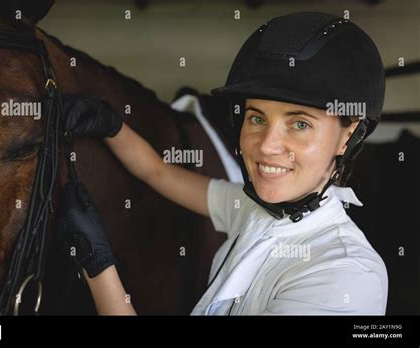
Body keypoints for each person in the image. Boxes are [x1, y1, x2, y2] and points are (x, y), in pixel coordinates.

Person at [56, 12, 388, 315]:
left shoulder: (345, 275)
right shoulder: (254, 210)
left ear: (349, 135)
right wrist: (111, 126)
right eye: (256, 118)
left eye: (299, 123)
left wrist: (97, 265)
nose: (267, 146)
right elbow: (156, 171)